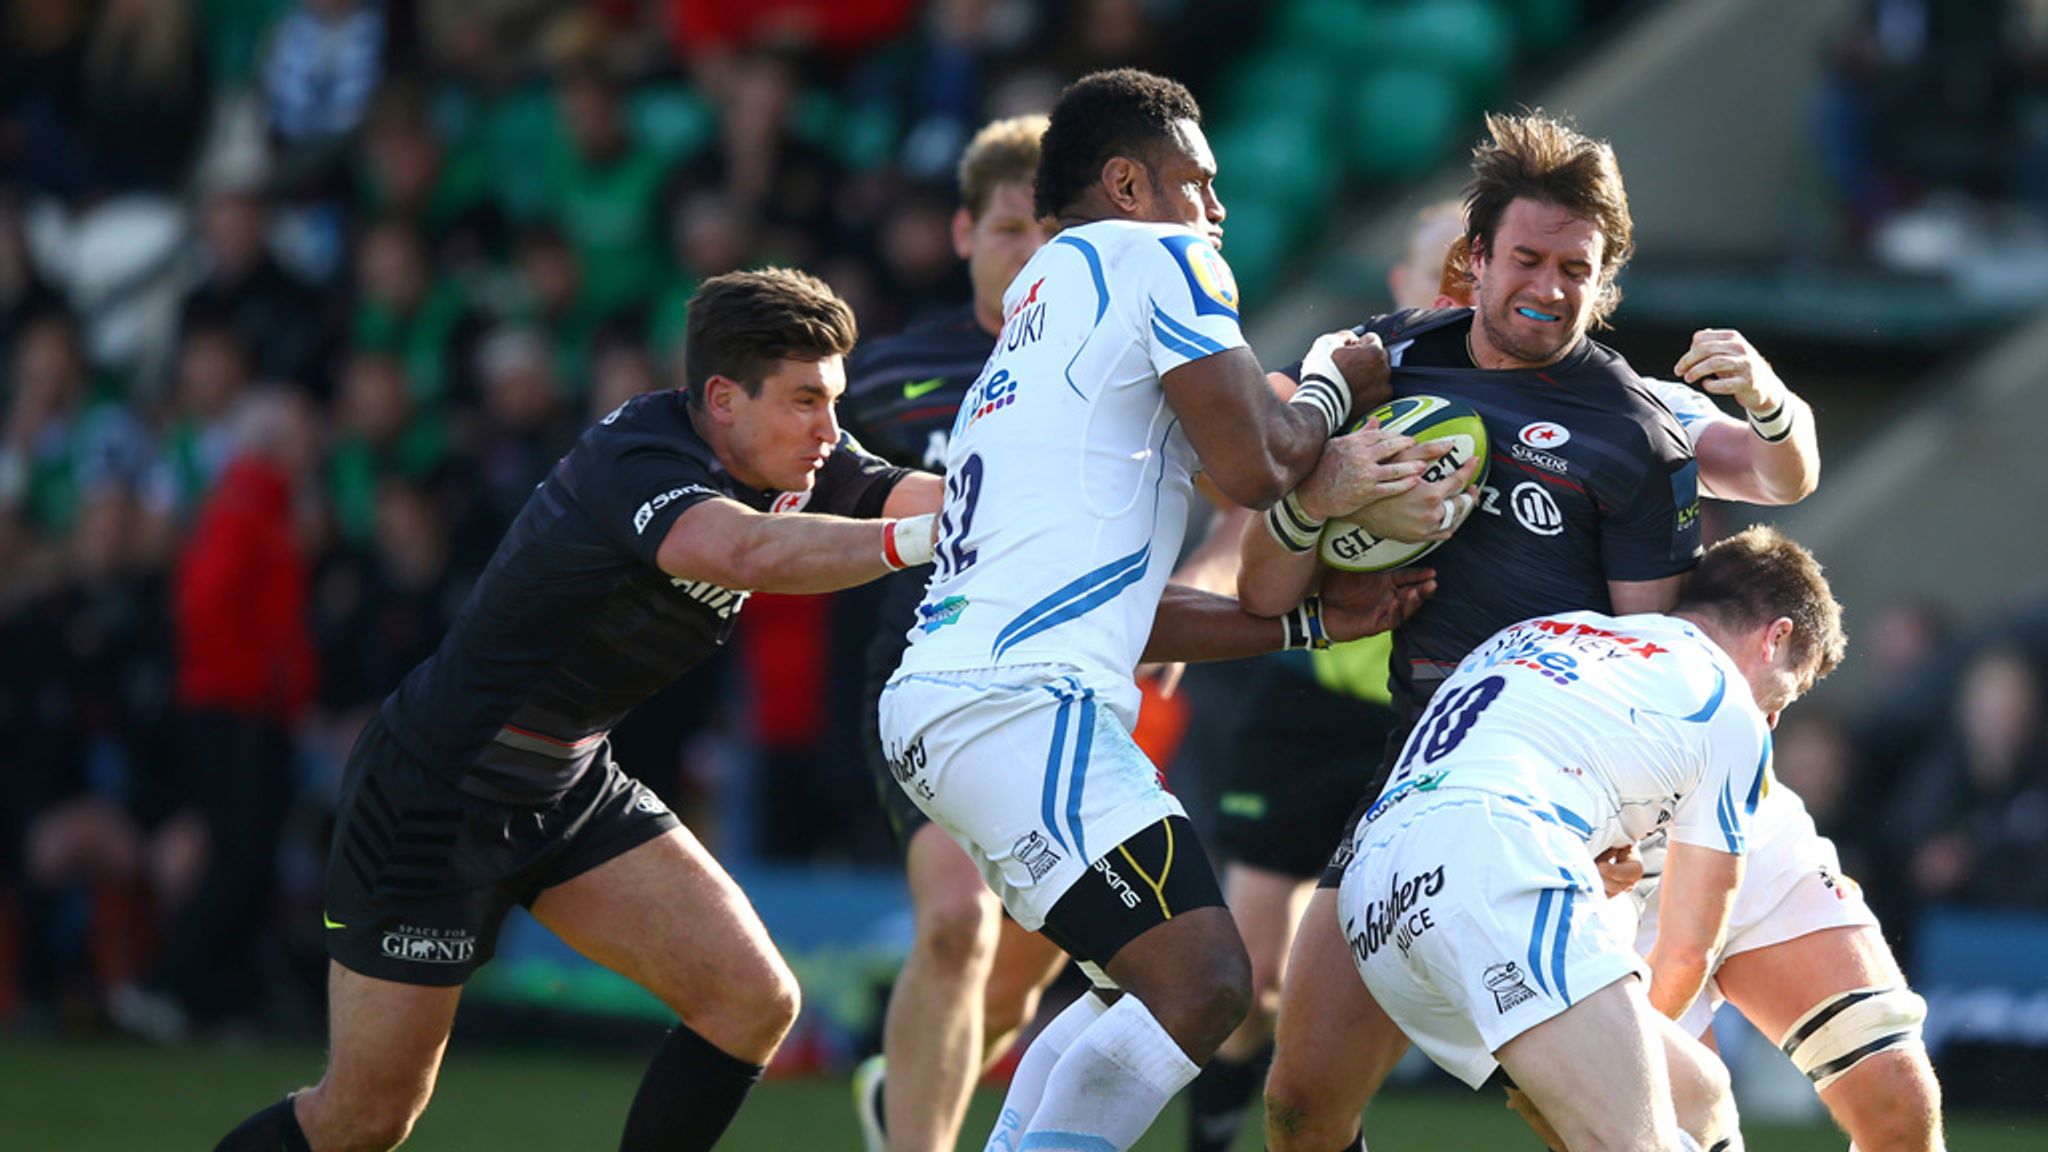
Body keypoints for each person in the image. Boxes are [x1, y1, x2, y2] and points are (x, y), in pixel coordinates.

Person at [212, 267, 947, 1152]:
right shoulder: (639, 454)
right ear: (722, 397)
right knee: (365, 1118)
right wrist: (927, 540)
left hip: (565, 782)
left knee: (751, 1000)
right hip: (437, 793)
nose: (831, 431)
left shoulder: (795, 456)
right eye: (805, 402)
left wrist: (1042, 513)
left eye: (832, 401)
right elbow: (746, 550)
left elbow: (922, 495)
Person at [877, 68, 1468, 1152]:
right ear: (1127, 184)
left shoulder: (1036, 328)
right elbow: (1257, 466)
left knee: (1133, 985)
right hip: (1017, 704)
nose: (1218, 208)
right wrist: (1335, 381)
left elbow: (1127, 614)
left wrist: (1303, 623)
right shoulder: (1154, 254)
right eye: (1199, 180)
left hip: (973, 699)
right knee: (1199, 983)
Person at [1244, 110, 1709, 1152]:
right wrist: (1324, 492)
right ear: (1474, 258)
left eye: (1575, 268)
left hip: (1543, 810)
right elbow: (1266, 591)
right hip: (1405, 789)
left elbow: (1653, 671)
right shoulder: (1387, 364)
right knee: (1301, 1105)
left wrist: (1619, 837)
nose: (1547, 288)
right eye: (1527, 259)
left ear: (1605, 277)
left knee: (1586, 1116)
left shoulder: (1635, 438)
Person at [1337, 526, 1847, 1150]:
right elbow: (1688, 949)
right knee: (1640, 1135)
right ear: (1777, 638)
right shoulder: (1726, 706)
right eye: (1785, 695)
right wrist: (1616, 1048)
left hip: (1372, 901)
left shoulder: (1536, 634)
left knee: (1702, 1097)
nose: (1771, 718)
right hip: (1490, 862)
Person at [839, 113, 1075, 1152]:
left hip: (1063, 686)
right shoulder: (884, 376)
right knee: (955, 926)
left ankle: (905, 1096)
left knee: (1016, 976)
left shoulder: (1109, 372)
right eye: (1010, 229)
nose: (1030, 254)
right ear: (962, 235)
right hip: (922, 678)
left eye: (1051, 233)